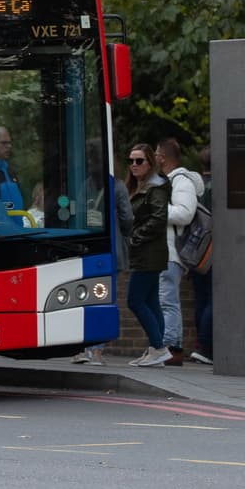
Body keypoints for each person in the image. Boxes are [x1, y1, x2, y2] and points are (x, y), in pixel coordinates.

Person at [73, 150, 133, 364]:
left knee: (86, 297)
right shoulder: (117, 186)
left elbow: (79, 214)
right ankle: (95, 349)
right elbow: (127, 219)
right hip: (111, 249)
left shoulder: (85, 186)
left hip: (89, 248)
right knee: (104, 298)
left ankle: (89, 348)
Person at [155, 137, 205, 366]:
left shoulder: (181, 181)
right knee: (163, 300)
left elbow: (184, 213)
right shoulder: (167, 181)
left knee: (168, 301)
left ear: (163, 157)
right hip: (162, 251)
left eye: (156, 154)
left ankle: (172, 348)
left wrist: (155, 210)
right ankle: (166, 346)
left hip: (171, 252)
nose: (154, 158)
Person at [124, 143, 172, 366]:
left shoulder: (156, 187)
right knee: (151, 301)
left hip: (149, 252)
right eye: (131, 161)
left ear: (150, 163)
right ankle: (156, 351)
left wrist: (135, 237)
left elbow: (158, 218)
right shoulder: (140, 186)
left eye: (139, 161)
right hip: (146, 252)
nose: (134, 165)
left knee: (135, 300)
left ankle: (159, 348)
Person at [190, 147, 214, 364]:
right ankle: (206, 347)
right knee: (214, 298)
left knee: (201, 297)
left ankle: (200, 343)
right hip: (213, 249)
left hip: (195, 249)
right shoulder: (217, 188)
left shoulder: (196, 189)